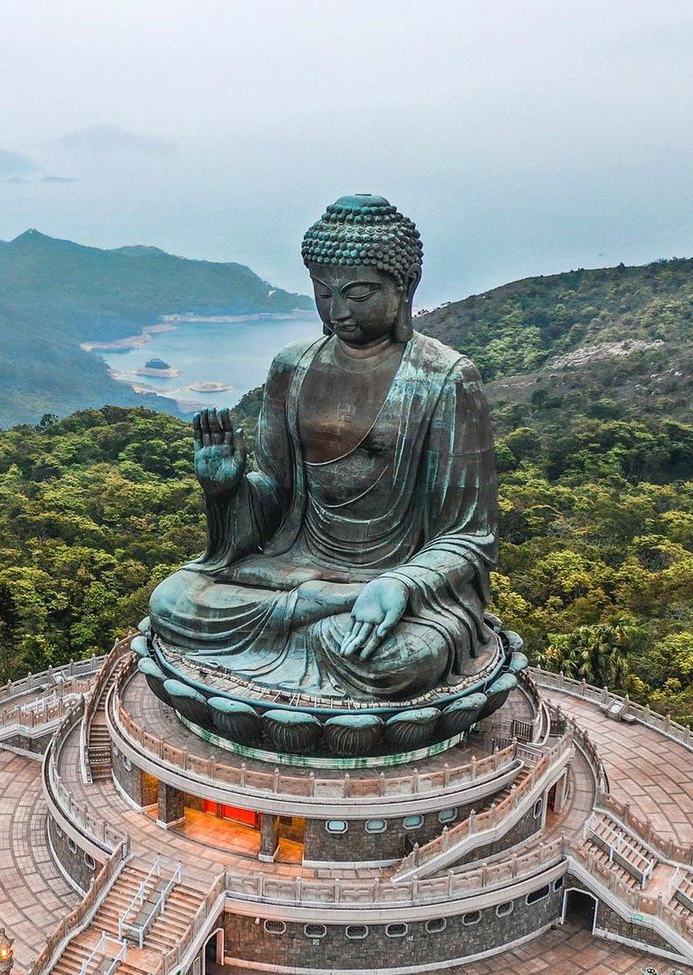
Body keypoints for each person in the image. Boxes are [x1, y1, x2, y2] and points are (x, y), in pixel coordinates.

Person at [148, 195, 498, 703]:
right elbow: (275, 495)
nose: (337, 312)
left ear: (404, 288)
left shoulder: (446, 380)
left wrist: (402, 585)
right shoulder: (292, 367)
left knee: (393, 662)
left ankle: (326, 612)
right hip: (291, 565)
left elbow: (470, 536)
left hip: (392, 580)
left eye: (358, 294)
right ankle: (320, 606)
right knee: (173, 602)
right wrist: (226, 489)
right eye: (323, 292)